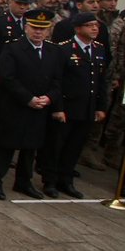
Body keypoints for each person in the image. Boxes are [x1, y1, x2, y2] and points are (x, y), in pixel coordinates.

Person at [0, 8, 63, 200]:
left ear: (48, 30)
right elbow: (8, 78)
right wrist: (28, 98)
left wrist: (49, 98)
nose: (38, 32)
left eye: (42, 29)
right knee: (5, 146)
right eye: (34, 28)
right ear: (26, 28)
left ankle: (23, 182)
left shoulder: (54, 51)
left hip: (39, 108)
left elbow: (58, 81)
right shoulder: (13, 48)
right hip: (15, 105)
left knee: (30, 148)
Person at [42, 11, 109, 198]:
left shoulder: (98, 49)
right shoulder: (64, 49)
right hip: (67, 107)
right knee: (56, 146)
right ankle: (50, 181)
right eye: (89, 25)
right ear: (78, 28)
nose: (95, 28)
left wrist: (101, 106)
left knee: (75, 147)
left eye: (96, 25)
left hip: (86, 108)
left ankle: (66, 180)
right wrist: (58, 108)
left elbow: (100, 80)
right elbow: (57, 81)